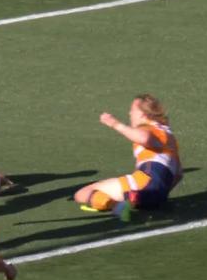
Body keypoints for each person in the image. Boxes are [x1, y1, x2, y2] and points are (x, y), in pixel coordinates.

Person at [74, 94, 182, 222]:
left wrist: (114, 123)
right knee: (137, 195)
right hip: (159, 194)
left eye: (132, 110)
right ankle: (138, 200)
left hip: (144, 183)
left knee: (83, 193)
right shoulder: (169, 136)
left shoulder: (148, 129)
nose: (129, 113)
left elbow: (144, 138)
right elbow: (178, 175)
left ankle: (117, 206)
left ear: (143, 114)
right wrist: (161, 194)